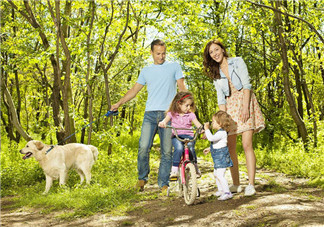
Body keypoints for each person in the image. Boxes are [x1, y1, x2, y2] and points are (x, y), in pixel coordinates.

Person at [111, 39, 187, 192]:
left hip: (168, 114)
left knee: (166, 151)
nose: (161, 56)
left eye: (164, 53)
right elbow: (134, 90)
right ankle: (142, 178)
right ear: (151, 52)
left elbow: (182, 88)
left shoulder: (174, 67)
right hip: (150, 115)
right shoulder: (146, 70)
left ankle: (163, 183)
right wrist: (118, 103)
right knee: (143, 147)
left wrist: (186, 107)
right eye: (158, 53)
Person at [203, 39, 265, 196]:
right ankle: (236, 184)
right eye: (211, 52)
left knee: (246, 145)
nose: (215, 54)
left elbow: (247, 85)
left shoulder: (237, 61)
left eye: (216, 50)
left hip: (245, 101)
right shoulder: (216, 74)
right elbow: (221, 100)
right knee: (229, 147)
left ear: (223, 50)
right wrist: (220, 121)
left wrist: (245, 107)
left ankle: (251, 184)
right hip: (230, 108)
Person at [158, 91, 203, 180]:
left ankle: (195, 167)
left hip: (189, 136)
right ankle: (174, 170)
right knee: (179, 148)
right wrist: (162, 123)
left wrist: (202, 129)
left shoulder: (191, 115)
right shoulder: (172, 113)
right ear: (179, 104)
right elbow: (165, 120)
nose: (189, 107)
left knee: (191, 148)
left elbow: (198, 124)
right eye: (187, 105)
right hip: (177, 136)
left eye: (190, 105)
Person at [203, 111, 234, 201]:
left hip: (222, 157)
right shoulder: (219, 133)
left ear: (220, 123)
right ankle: (221, 190)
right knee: (216, 174)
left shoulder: (222, 133)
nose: (212, 123)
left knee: (220, 175)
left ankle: (227, 193)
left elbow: (211, 138)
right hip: (218, 157)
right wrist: (209, 148)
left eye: (213, 122)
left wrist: (206, 129)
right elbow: (217, 143)